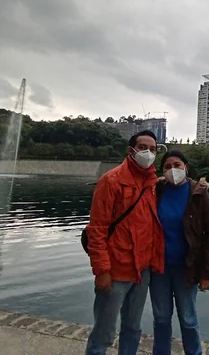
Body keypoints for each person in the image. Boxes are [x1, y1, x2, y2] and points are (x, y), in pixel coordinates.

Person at [85, 130, 164, 355]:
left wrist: (199, 186)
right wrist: (101, 271)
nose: (148, 153)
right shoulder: (110, 181)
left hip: (142, 270)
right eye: (143, 147)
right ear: (131, 151)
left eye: (153, 149)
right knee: (104, 332)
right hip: (116, 270)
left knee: (132, 328)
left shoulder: (151, 183)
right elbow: (97, 230)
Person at [150, 150, 209, 355]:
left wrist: (207, 272)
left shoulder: (199, 193)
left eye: (177, 165)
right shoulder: (157, 189)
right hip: (158, 267)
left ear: (186, 167)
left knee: (188, 319)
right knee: (161, 318)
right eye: (167, 166)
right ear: (162, 171)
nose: (173, 170)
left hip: (186, 267)